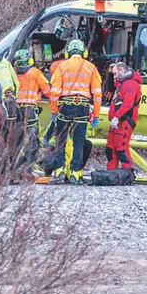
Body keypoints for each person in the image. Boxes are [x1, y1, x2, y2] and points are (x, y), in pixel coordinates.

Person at [49, 39, 102, 185]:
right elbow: (97, 93)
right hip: (82, 107)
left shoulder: (62, 66)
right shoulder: (91, 68)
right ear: (84, 52)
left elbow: (54, 91)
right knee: (79, 141)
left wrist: (54, 110)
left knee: (61, 140)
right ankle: (75, 173)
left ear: (68, 52)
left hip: (64, 106)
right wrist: (96, 115)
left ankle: (59, 171)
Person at [11, 49, 51, 182]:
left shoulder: (12, 72)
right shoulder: (35, 73)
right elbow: (48, 90)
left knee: (15, 143)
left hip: (15, 111)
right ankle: (26, 170)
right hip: (30, 111)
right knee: (32, 143)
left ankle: (12, 172)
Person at [106, 62, 143, 170]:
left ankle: (128, 172)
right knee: (110, 148)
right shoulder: (122, 84)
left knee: (121, 147)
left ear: (121, 71)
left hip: (125, 120)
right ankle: (111, 173)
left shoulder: (130, 84)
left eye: (115, 74)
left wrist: (117, 117)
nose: (114, 77)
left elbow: (128, 104)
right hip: (117, 121)